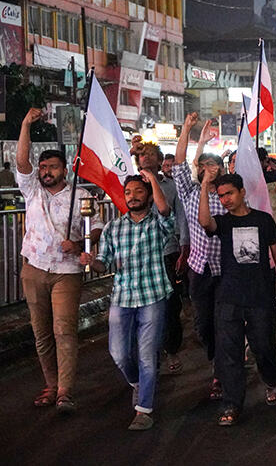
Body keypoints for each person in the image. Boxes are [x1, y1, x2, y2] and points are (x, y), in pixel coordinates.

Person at [16, 108, 102, 413]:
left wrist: (78, 244)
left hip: (67, 271)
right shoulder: (32, 191)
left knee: (64, 330)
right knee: (41, 332)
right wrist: (25, 124)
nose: (46, 171)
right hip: (34, 268)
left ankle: (65, 390)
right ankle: (50, 385)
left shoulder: (81, 195)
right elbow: (22, 162)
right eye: (43, 167)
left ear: (65, 170)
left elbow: (96, 228)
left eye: (53, 167)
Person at [198, 170, 276, 426]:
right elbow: (205, 222)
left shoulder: (263, 220)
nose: (226, 199)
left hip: (260, 296)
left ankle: (271, 379)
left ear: (242, 192)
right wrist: (205, 185)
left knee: (263, 346)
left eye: (229, 193)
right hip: (228, 297)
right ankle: (232, 403)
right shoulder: (223, 222)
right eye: (221, 196)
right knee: (229, 353)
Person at [81, 172, 174, 431]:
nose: (132, 197)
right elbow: (104, 263)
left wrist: (152, 179)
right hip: (122, 297)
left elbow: (165, 211)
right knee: (119, 353)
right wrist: (92, 262)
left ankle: (144, 410)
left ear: (148, 196)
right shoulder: (113, 228)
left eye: (139, 191)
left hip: (152, 295)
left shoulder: (158, 224)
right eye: (128, 192)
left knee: (147, 354)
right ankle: (138, 383)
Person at [173, 112, 226, 400]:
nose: (207, 169)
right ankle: (216, 359)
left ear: (221, 169)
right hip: (199, 268)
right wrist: (187, 129)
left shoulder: (229, 197)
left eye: (212, 165)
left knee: (225, 322)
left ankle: (222, 371)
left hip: (225, 269)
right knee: (204, 324)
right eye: (203, 165)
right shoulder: (191, 193)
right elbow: (179, 164)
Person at [131, 137, 189, 376]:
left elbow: (180, 216)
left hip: (166, 251)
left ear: (159, 160)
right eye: (142, 154)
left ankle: (171, 348)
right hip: (139, 254)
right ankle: (149, 355)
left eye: (150, 154)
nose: (145, 157)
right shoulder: (132, 184)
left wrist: (184, 247)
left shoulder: (170, 186)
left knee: (169, 305)